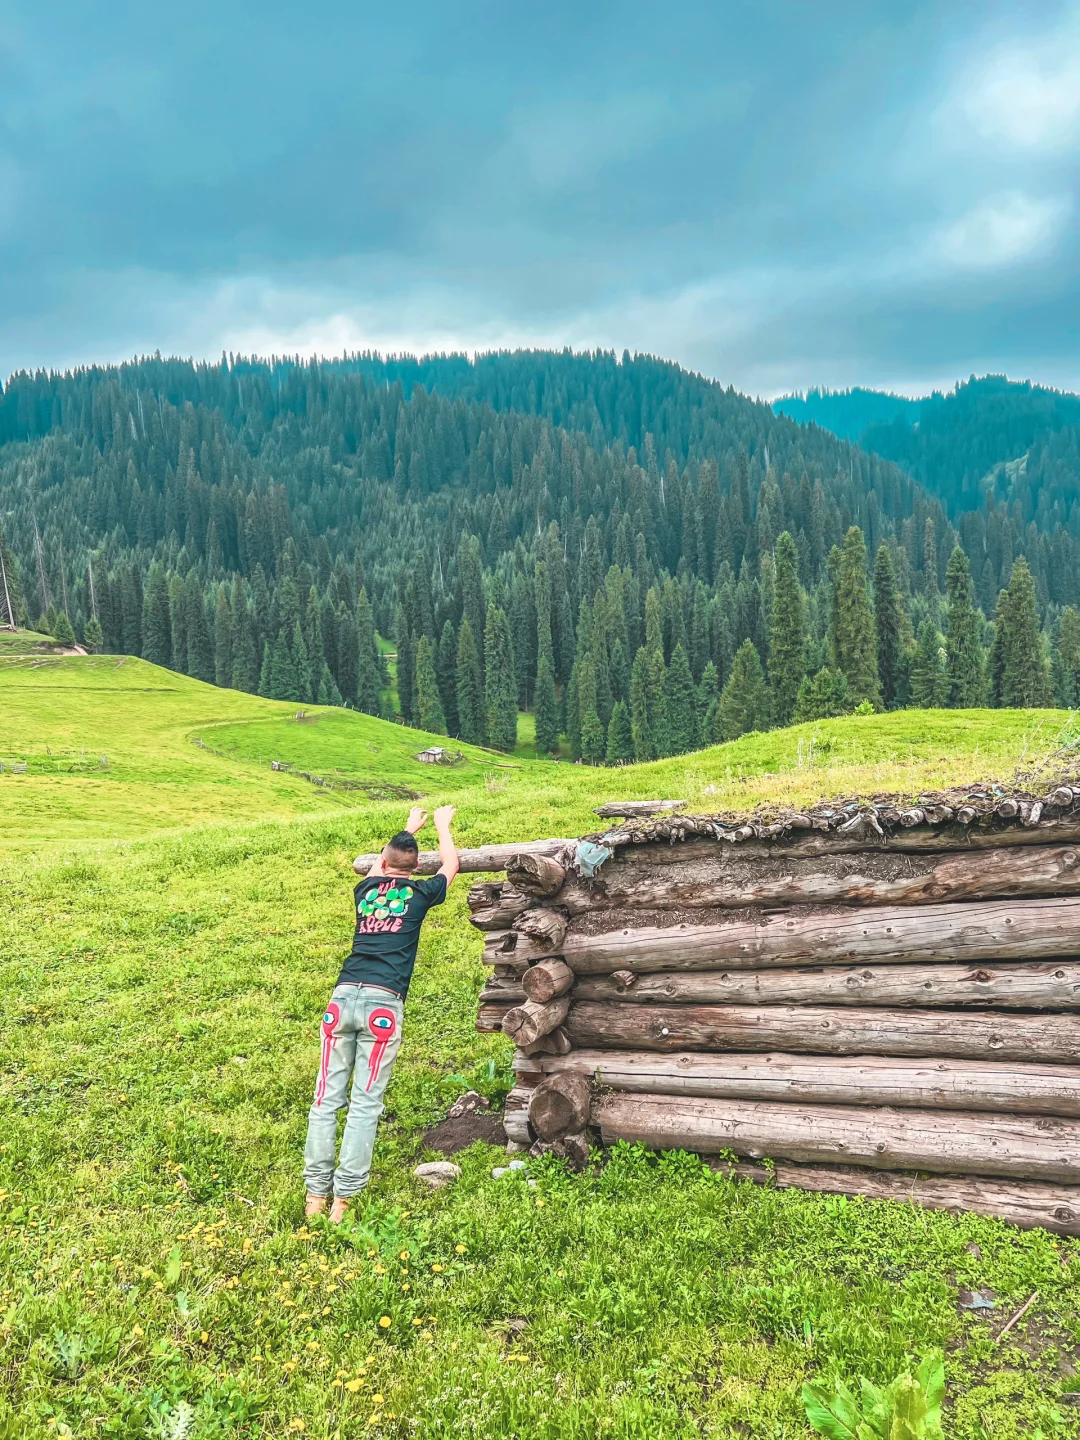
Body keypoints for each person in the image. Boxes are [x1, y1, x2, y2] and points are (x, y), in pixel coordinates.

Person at [303, 804, 460, 1221]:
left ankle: (315, 1197)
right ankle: (344, 1200)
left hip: (341, 1000)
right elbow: (452, 864)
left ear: (386, 862)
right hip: (382, 1005)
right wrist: (442, 826)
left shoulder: (366, 891)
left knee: (325, 1100)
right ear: (413, 868)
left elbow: (378, 865)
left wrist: (407, 828)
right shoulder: (422, 893)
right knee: (365, 1103)